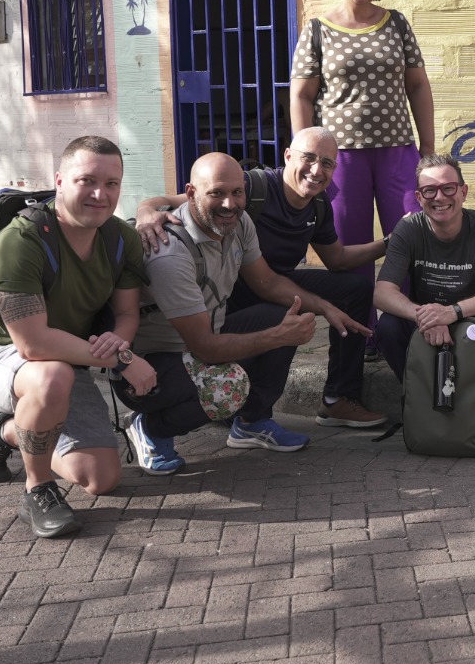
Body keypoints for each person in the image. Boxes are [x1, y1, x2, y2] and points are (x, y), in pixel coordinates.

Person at [122, 154, 366, 474]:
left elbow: (267, 283)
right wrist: (279, 337)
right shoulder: (169, 250)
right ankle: (151, 427)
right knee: (227, 387)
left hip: (200, 342)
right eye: (217, 193)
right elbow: (205, 347)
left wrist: (322, 306)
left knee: (286, 312)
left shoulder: (239, 223)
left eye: (237, 193)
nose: (229, 203)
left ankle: (252, 422)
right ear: (191, 193)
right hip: (147, 366)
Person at [0, 136, 151, 539]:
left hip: (65, 357)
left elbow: (127, 313)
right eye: (87, 181)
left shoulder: (120, 238)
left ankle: (4, 430)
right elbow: (33, 345)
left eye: (112, 183)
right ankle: (38, 490)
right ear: (60, 181)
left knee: (101, 478)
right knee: (51, 378)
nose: (101, 194)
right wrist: (124, 361)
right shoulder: (22, 239)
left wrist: (119, 343)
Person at [289, 0, 435, 328]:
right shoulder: (318, 30)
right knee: (350, 246)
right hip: (341, 158)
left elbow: (418, 86)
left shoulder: (397, 23)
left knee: (410, 232)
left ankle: (407, 322)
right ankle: (362, 330)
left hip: (398, 150)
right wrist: (306, 155)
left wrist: (428, 149)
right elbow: (302, 95)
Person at [373, 155, 475, 378]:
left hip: (474, 318)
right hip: (426, 323)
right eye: (430, 190)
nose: (439, 197)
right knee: (388, 326)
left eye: (449, 188)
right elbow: (382, 293)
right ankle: (418, 396)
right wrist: (426, 317)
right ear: (419, 197)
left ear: (464, 192)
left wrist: (453, 312)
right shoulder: (408, 229)